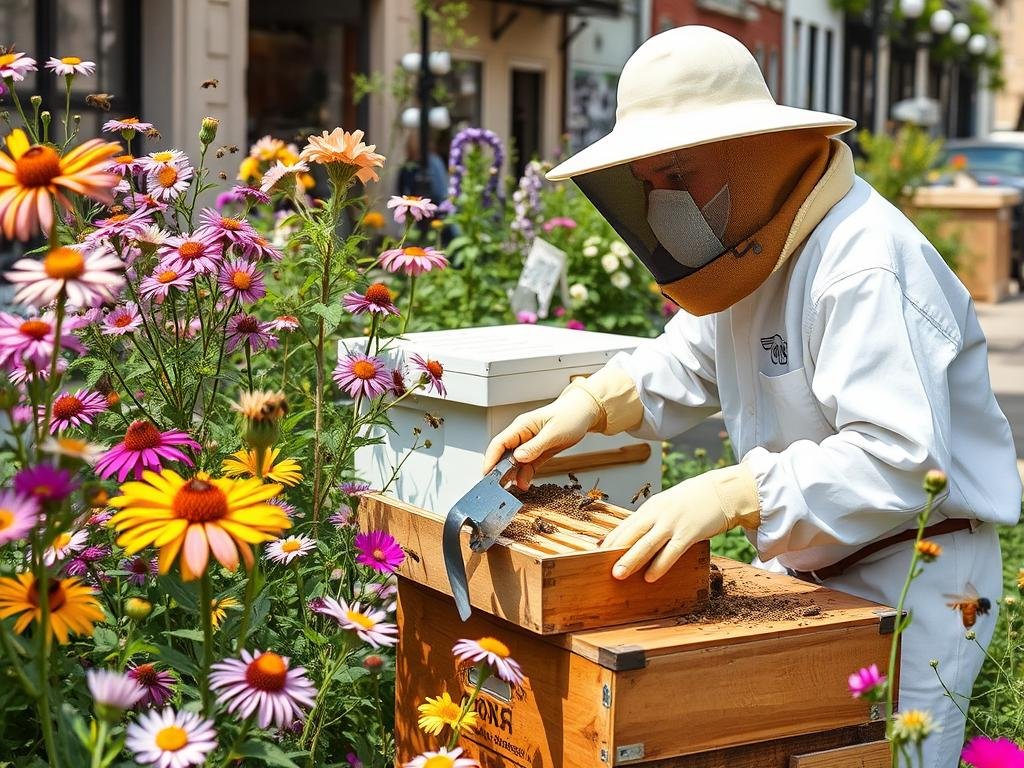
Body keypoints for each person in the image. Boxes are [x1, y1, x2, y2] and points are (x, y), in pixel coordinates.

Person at [483, 25, 1021, 767]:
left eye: (677, 174)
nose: (661, 201)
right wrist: (590, 403)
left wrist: (738, 490)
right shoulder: (756, 245)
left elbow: (899, 461)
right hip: (813, 574)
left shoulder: (864, 264)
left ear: (751, 150)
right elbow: (694, 355)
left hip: (916, 583)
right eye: (648, 183)